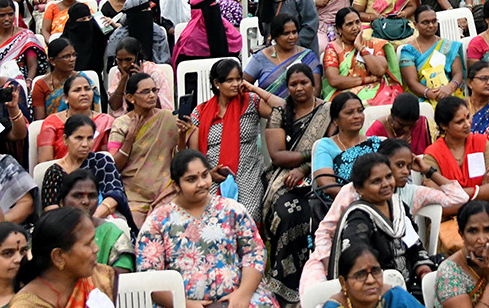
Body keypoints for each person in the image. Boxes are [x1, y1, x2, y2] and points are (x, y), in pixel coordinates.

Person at [137, 149, 278, 308]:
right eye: (191, 179)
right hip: (178, 304)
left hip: (237, 299)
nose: (202, 183)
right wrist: (185, 304)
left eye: (205, 175)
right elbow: (149, 276)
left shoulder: (232, 210)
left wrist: (243, 294)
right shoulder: (158, 222)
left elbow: (255, 253)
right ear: (176, 185)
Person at [261, 62, 331, 306]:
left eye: (304, 83)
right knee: (289, 213)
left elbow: (330, 149)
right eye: (293, 84)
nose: (299, 88)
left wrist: (304, 165)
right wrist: (312, 154)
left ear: (314, 84)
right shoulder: (280, 112)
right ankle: (287, 285)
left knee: (318, 210)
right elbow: (278, 155)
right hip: (283, 177)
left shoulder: (328, 111)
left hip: (320, 174)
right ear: (287, 87)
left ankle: (320, 281)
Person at [185, 57, 281, 222]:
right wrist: (208, 174)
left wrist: (254, 89)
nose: (236, 84)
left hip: (247, 173)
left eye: (238, 79)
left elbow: (282, 108)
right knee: (212, 216)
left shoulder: (250, 101)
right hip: (212, 176)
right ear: (217, 83)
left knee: (246, 214)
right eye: (230, 80)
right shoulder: (201, 112)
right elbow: (193, 154)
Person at [328, 153, 437, 297]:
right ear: (359, 189)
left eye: (388, 176)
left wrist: (424, 274)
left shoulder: (399, 207)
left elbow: (414, 246)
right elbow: (359, 266)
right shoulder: (359, 219)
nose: (386, 184)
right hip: (380, 290)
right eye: (376, 181)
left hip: (412, 280)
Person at [422, 97, 489, 255]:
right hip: (449, 223)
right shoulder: (432, 154)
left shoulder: (480, 142)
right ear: (444, 126)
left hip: (485, 218)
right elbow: (439, 203)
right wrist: (481, 191)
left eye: (468, 117)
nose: (467, 124)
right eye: (459, 122)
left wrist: (457, 194)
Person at [108, 71, 183, 227]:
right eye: (145, 92)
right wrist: (129, 139)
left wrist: (182, 134)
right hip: (134, 194)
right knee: (135, 227)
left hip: (166, 189)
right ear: (130, 98)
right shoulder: (121, 124)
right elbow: (113, 167)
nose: (152, 95)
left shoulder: (169, 118)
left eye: (154, 90)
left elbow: (182, 157)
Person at [39, 114, 130, 221]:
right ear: (65, 139)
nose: (85, 144)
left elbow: (115, 194)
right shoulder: (54, 173)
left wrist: (92, 218)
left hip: (103, 219)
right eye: (79, 138)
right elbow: (52, 210)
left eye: (90, 138)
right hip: (66, 225)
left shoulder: (101, 162)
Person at [311, 91, 384, 202]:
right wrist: (361, 197)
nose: (357, 116)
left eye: (360, 111)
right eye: (349, 113)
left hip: (378, 201)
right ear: (335, 121)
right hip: (340, 205)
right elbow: (326, 185)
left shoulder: (375, 143)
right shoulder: (325, 146)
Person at [55, 170, 135, 271]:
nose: (86, 201)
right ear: (62, 202)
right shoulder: (51, 231)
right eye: (78, 196)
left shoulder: (112, 233)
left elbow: (121, 278)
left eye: (91, 196)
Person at [323, 6, 405, 103]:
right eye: (349, 24)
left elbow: (379, 70)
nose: (355, 27)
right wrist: (369, 79)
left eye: (357, 22)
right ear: (339, 29)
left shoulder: (373, 43)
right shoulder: (333, 48)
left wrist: (360, 47)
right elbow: (334, 80)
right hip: (346, 93)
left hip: (378, 90)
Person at [323, 242, 427, 308]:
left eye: (376, 271)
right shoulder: (334, 307)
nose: (371, 280)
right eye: (360, 275)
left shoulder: (394, 298)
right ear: (343, 283)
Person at [37, 74, 112, 162]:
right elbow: (45, 162)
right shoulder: (52, 122)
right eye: (77, 90)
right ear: (66, 98)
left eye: (87, 89)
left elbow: (107, 159)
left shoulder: (105, 121)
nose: (84, 93)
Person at [400, 6, 465, 105]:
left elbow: (458, 73)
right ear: (415, 25)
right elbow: (412, 82)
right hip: (423, 98)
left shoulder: (448, 46)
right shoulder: (408, 51)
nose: (431, 25)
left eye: (434, 21)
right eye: (425, 22)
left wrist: (449, 87)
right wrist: (432, 94)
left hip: (449, 93)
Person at [0, 0, 45, 83]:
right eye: (2, 15)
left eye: (10, 14)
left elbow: (32, 65)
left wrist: (29, 81)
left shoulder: (26, 36)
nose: (7, 19)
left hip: (22, 80)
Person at [367, 93, 433, 156]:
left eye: (411, 126)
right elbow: (369, 160)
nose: (406, 129)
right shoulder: (377, 129)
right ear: (392, 114)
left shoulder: (423, 124)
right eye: (401, 125)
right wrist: (396, 147)